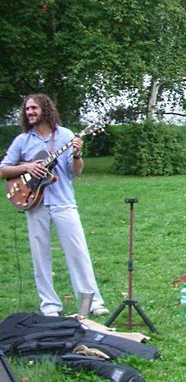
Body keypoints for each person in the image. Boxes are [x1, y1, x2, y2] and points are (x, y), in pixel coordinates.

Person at [0, 94, 109, 317]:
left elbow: (75, 172)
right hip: (35, 204)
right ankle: (50, 305)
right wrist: (27, 167)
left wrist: (77, 154)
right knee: (40, 257)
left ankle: (92, 301)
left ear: (45, 110)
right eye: (27, 109)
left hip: (63, 202)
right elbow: (3, 169)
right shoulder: (23, 140)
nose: (29, 112)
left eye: (33, 108)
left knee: (78, 253)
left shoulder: (66, 136)